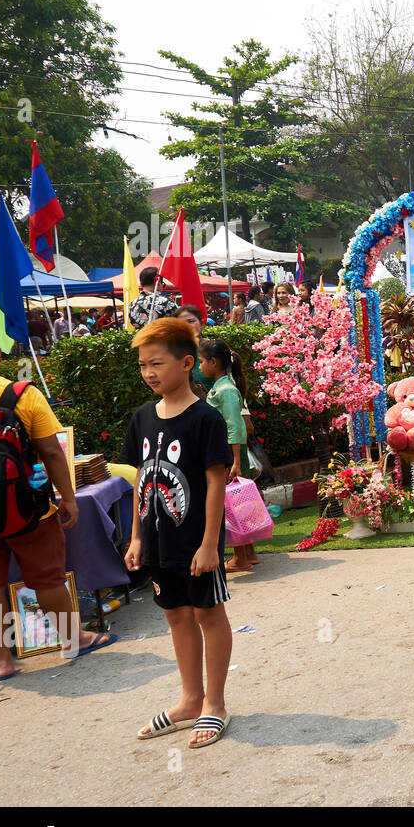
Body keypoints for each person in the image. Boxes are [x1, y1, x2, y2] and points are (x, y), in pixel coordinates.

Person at [0, 325, 117, 682]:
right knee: (47, 578)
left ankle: (2, 660)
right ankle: (73, 640)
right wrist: (68, 499)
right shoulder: (22, 393)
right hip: (30, 508)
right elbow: (52, 451)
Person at [122, 318, 233, 749]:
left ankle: (215, 704)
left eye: (157, 363)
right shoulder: (142, 418)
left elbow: (215, 484)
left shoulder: (206, 419)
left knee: (208, 614)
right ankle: (190, 700)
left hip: (196, 543)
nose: (149, 372)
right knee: (175, 615)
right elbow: (141, 481)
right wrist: (135, 537)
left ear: (187, 363)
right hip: (157, 542)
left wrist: (209, 544)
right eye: (143, 365)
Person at [199, 337, 258, 573]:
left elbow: (235, 426)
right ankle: (249, 553)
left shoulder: (225, 390)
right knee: (240, 503)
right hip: (231, 452)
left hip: (230, 453)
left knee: (232, 505)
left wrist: (234, 461)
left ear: (213, 362)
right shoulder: (222, 387)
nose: (200, 367)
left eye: (202, 362)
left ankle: (240, 557)